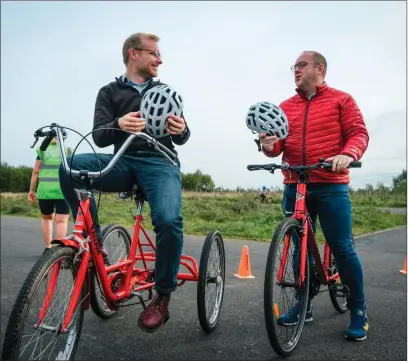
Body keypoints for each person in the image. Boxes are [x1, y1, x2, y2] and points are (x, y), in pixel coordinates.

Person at [58, 32, 190, 333]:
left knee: (169, 220)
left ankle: (162, 295)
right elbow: (100, 136)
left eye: (160, 54)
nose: (160, 59)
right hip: (122, 160)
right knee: (68, 168)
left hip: (161, 160)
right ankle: (93, 243)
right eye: (154, 53)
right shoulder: (109, 92)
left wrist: (181, 129)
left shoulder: (166, 91)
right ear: (134, 53)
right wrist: (117, 125)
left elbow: (183, 136)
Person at [258, 51, 370, 341]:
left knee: (342, 246)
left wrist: (347, 154)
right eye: (293, 66)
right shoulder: (285, 106)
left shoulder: (341, 100)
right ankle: (303, 303)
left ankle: (358, 310)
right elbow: (277, 146)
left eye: (301, 65)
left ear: (319, 68)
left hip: (330, 184)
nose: (295, 70)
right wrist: (268, 144)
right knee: (299, 245)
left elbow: (359, 133)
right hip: (296, 183)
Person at [28, 136, 72, 254]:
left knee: (46, 218)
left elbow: (35, 172)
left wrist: (31, 190)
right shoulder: (67, 150)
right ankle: (58, 252)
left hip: (45, 191)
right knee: (62, 221)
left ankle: (48, 248)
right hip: (63, 191)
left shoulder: (42, 151)